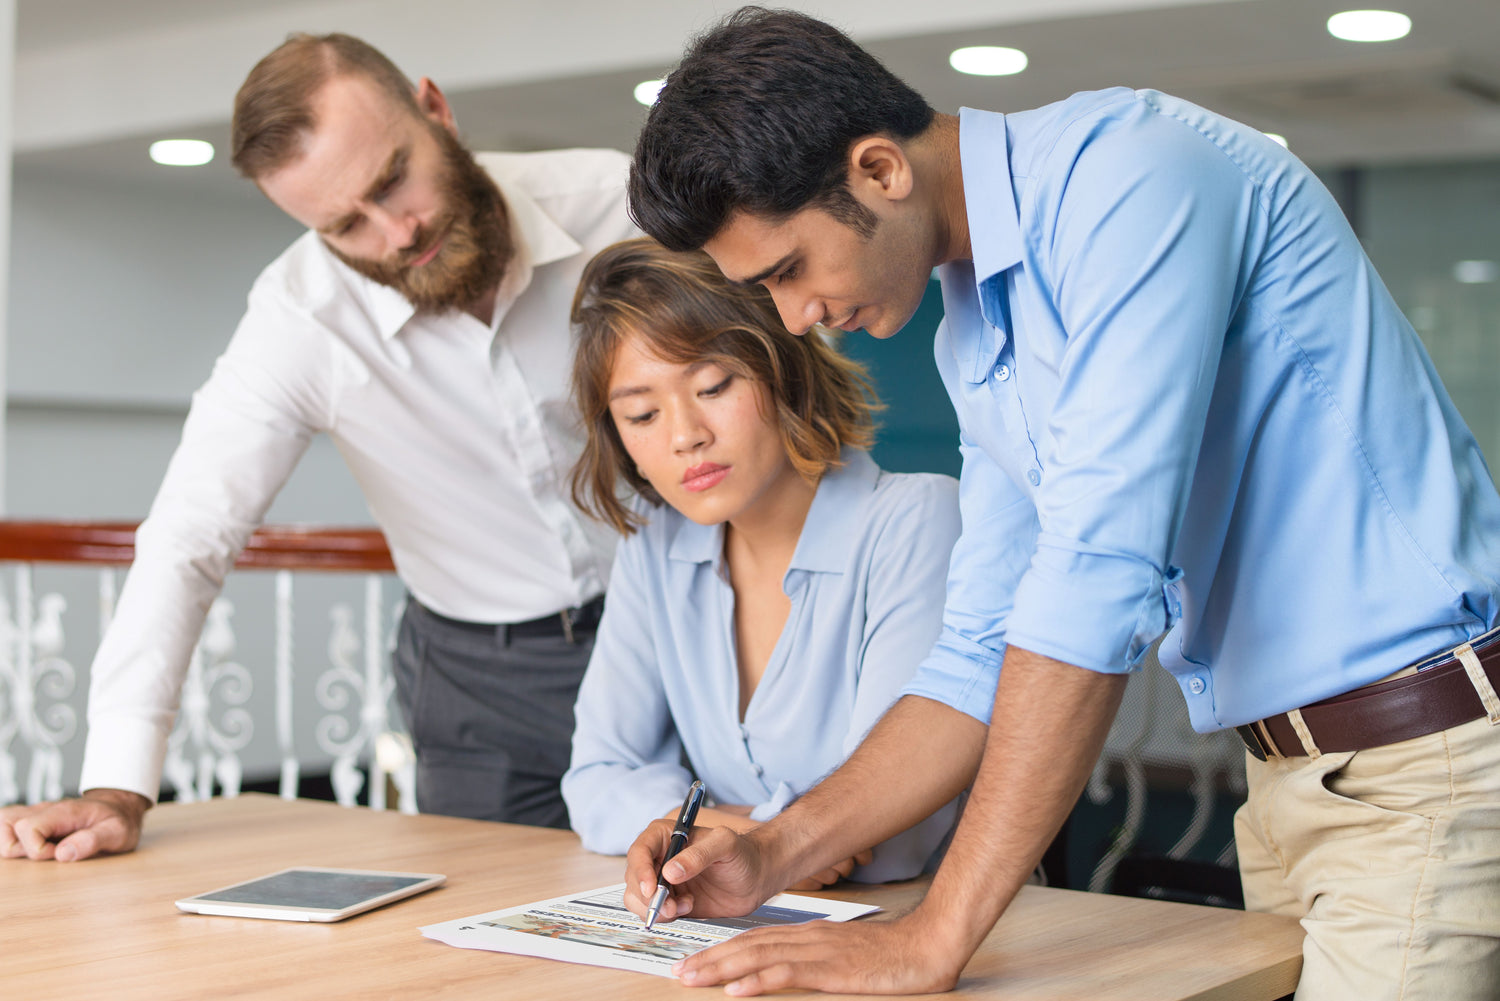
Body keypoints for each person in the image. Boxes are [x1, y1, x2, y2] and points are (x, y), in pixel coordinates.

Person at [616, 8, 1500, 1000]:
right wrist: (773, 851)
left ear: (877, 170)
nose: (795, 319)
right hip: (1289, 777)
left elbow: (1096, 582)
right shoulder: (974, 321)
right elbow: (982, 645)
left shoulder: (1134, 177)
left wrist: (934, 932)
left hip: (1419, 761)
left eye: (787, 270)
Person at [0, 32, 639, 861]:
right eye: (345, 225)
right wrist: (117, 784)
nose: (396, 233)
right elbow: (190, 537)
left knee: (731, 897)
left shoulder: (617, 205)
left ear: (434, 110)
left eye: (392, 179)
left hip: (689, 626)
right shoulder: (299, 319)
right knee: (500, 939)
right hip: (484, 678)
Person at [559, 238, 960, 885]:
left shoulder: (916, 520)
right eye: (641, 412)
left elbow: (891, 831)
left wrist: (719, 834)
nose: (685, 434)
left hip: (933, 928)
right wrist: (745, 834)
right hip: (753, 926)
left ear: (781, 368)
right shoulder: (654, 549)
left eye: (713, 385)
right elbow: (598, 779)